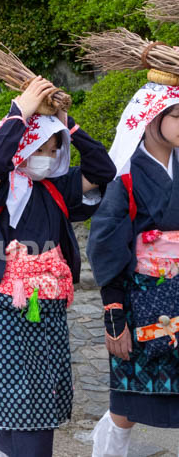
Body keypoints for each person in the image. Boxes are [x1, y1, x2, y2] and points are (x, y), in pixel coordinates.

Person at [0, 78, 114, 457]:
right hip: (1, 307)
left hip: (49, 307)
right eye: (41, 145)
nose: (48, 153)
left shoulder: (57, 189)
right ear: (22, 144)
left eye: (55, 147)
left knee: (38, 403)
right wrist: (19, 114)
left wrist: (67, 122)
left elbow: (103, 169)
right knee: (23, 407)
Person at [87, 79, 179, 456]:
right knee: (129, 405)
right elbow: (107, 247)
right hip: (143, 296)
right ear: (153, 118)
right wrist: (115, 315)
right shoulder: (125, 175)